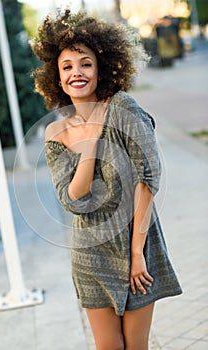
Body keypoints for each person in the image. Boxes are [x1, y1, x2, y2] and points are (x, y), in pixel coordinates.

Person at [30, 9, 182, 350]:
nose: (77, 73)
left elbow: (147, 179)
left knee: (136, 345)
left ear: (101, 68)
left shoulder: (123, 108)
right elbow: (72, 200)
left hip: (137, 244)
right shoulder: (56, 131)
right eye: (67, 67)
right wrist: (92, 141)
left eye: (85, 63)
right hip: (89, 254)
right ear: (56, 76)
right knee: (109, 347)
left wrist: (136, 252)